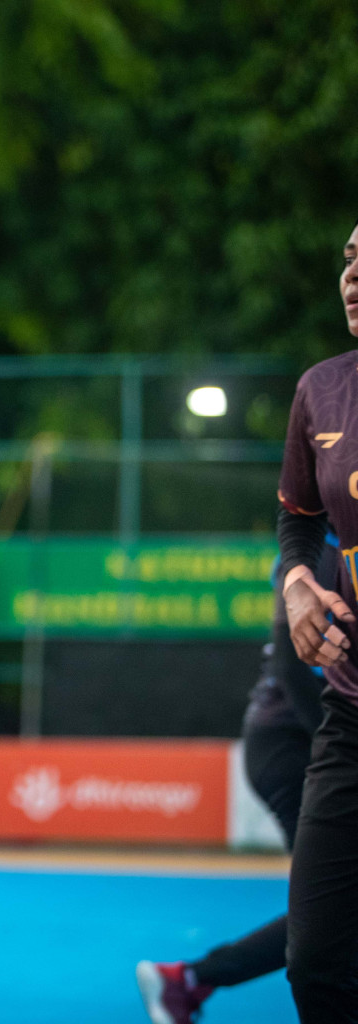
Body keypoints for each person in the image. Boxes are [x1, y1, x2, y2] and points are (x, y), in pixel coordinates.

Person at [135, 542, 334, 1023]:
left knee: (335, 905)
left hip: (305, 743)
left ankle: (187, 981)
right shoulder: (322, 544)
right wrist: (343, 746)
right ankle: (188, 980)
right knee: (334, 904)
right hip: (296, 747)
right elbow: (293, 668)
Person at [275, 220, 358, 1023]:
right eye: (349, 257)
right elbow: (298, 521)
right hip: (353, 712)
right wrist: (298, 583)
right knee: (316, 961)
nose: (354, 274)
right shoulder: (321, 389)